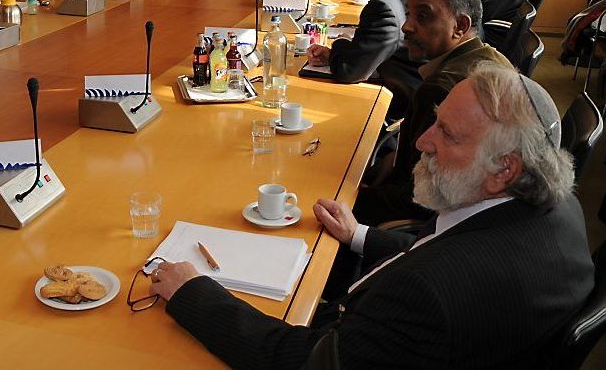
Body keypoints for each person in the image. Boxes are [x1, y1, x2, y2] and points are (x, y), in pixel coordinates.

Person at [150, 65, 593, 369]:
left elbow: (303, 361)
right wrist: (359, 234)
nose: (422, 141)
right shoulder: (558, 208)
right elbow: (442, 247)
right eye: (436, 121)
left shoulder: (426, 293)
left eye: (448, 134)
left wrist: (194, 294)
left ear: (505, 169)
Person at [353, 0, 513, 225]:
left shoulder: (442, 89)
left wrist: (349, 200)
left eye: (423, 17)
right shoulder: (491, 57)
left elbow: (420, 195)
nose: (406, 26)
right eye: (408, 14)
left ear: (459, 26)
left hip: (434, 218)